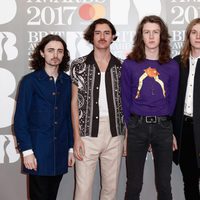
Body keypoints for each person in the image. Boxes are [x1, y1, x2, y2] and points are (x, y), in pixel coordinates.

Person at [121, 15, 179, 200]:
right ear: (141, 36)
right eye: (147, 32)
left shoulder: (171, 65)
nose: (151, 36)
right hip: (137, 126)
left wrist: (170, 129)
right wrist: (128, 128)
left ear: (161, 36)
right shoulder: (130, 64)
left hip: (163, 128)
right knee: (134, 184)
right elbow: (125, 98)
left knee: (164, 184)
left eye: (155, 32)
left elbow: (173, 99)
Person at [70, 18, 126, 200]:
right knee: (83, 189)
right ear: (91, 37)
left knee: (110, 189)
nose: (102, 37)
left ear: (113, 37)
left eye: (106, 33)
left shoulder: (122, 67)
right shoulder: (79, 65)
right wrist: (76, 137)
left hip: (115, 133)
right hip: (86, 134)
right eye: (98, 32)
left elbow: (127, 103)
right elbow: (74, 101)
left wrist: (126, 136)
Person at [14, 34, 74, 200]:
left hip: (60, 151)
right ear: (42, 53)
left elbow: (69, 117)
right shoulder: (29, 82)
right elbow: (20, 120)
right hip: (37, 152)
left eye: (59, 51)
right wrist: (27, 151)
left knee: (51, 196)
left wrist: (70, 148)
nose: (55, 55)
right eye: (51, 50)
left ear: (63, 55)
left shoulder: (67, 82)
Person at [173, 18, 200, 200]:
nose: (198, 37)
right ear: (188, 36)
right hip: (184, 131)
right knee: (189, 182)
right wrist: (171, 131)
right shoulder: (177, 63)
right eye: (194, 32)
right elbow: (169, 100)